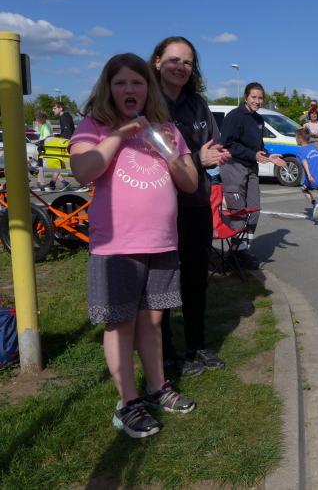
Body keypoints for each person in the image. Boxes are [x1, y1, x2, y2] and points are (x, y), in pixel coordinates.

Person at [68, 53, 199, 438]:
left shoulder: (166, 129)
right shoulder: (95, 126)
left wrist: (168, 152)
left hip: (161, 241)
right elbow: (83, 170)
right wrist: (120, 134)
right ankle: (127, 402)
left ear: (148, 89)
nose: (130, 89)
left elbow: (190, 183)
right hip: (117, 245)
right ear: (108, 87)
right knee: (121, 322)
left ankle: (157, 388)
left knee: (153, 320)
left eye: (137, 82)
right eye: (121, 82)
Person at [150, 36, 232, 376]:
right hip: (160, 207)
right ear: (157, 62)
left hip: (196, 203)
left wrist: (216, 155)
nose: (181, 67)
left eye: (187, 62)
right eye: (174, 60)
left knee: (196, 279)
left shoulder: (197, 104)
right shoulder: (147, 103)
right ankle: (165, 352)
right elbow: (147, 160)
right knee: (162, 283)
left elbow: (213, 144)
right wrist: (199, 158)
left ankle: (196, 345)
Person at [219, 82, 286, 269]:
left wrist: (267, 156)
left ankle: (242, 249)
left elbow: (257, 147)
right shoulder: (234, 116)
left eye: (260, 98)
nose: (257, 101)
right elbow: (227, 144)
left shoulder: (258, 119)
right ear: (246, 97)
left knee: (254, 211)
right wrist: (252, 155)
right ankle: (236, 254)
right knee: (238, 212)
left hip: (251, 169)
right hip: (234, 167)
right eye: (254, 97)